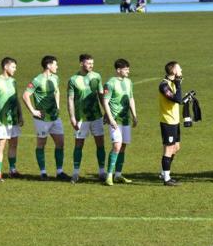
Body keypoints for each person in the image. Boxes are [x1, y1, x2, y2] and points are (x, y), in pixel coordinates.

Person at [22, 55, 70, 181]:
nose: (57, 66)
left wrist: (58, 106)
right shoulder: (37, 80)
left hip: (55, 117)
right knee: (41, 144)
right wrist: (33, 110)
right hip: (42, 119)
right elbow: (25, 95)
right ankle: (43, 172)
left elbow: (57, 91)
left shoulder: (56, 78)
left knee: (60, 143)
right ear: (48, 65)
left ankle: (59, 172)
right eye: (55, 64)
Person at [67, 54, 106, 184]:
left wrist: (106, 112)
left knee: (100, 143)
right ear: (81, 63)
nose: (91, 65)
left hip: (96, 116)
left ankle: (102, 172)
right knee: (79, 144)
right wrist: (72, 117)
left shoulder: (97, 76)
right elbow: (70, 100)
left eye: (92, 63)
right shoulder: (73, 79)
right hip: (81, 118)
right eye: (88, 63)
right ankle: (75, 173)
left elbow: (101, 96)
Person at [0, 57, 24, 182]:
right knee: (1, 145)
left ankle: (12, 170)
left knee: (13, 144)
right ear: (5, 67)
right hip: (1, 120)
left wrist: (20, 115)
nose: (15, 69)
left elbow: (16, 99)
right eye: (13, 67)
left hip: (13, 119)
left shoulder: (13, 81)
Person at [102, 58, 137, 186]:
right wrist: (110, 119)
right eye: (126, 69)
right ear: (118, 70)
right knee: (116, 146)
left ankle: (118, 175)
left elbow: (131, 98)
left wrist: (134, 115)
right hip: (115, 120)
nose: (128, 71)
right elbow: (105, 101)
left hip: (126, 120)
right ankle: (109, 175)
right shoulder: (110, 83)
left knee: (123, 147)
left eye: (128, 69)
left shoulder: (129, 82)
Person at [158, 61, 183, 186]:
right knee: (168, 149)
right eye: (179, 68)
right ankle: (166, 178)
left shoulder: (173, 83)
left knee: (176, 147)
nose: (181, 70)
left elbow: (178, 100)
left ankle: (163, 172)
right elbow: (177, 99)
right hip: (168, 122)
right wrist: (178, 84)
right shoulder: (164, 85)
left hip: (175, 121)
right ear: (173, 70)